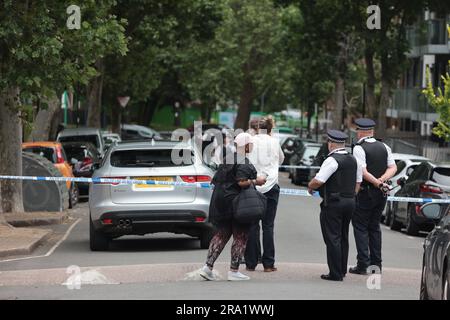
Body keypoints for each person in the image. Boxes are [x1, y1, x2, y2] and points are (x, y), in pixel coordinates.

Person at [199, 132, 266, 281]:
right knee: (241, 235)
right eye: (251, 144)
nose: (253, 146)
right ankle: (234, 271)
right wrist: (257, 181)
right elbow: (242, 182)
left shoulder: (228, 159)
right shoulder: (244, 161)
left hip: (220, 202)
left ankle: (207, 267)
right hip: (235, 203)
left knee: (221, 234)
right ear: (247, 145)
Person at [307, 130, 362, 281]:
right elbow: (358, 182)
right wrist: (351, 195)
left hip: (334, 202)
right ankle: (342, 269)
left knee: (332, 237)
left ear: (331, 144)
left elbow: (319, 180)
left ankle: (335, 273)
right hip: (350, 201)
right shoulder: (353, 160)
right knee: (343, 236)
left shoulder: (332, 160)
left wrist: (310, 186)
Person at [349, 118, 397, 275]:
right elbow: (393, 167)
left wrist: (377, 182)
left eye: (357, 131)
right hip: (381, 194)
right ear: (372, 131)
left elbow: (362, 171)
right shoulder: (384, 146)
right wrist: (382, 181)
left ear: (360, 132)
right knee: (374, 227)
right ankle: (376, 264)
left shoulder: (359, 148)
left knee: (360, 226)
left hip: (366, 192)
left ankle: (363, 264)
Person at [245, 117, 285, 272]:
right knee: (268, 226)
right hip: (271, 185)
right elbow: (281, 159)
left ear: (256, 129)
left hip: (254, 185)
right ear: (269, 129)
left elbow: (245, 160)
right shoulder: (274, 142)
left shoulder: (251, 141)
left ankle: (251, 262)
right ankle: (268, 264)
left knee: (253, 225)